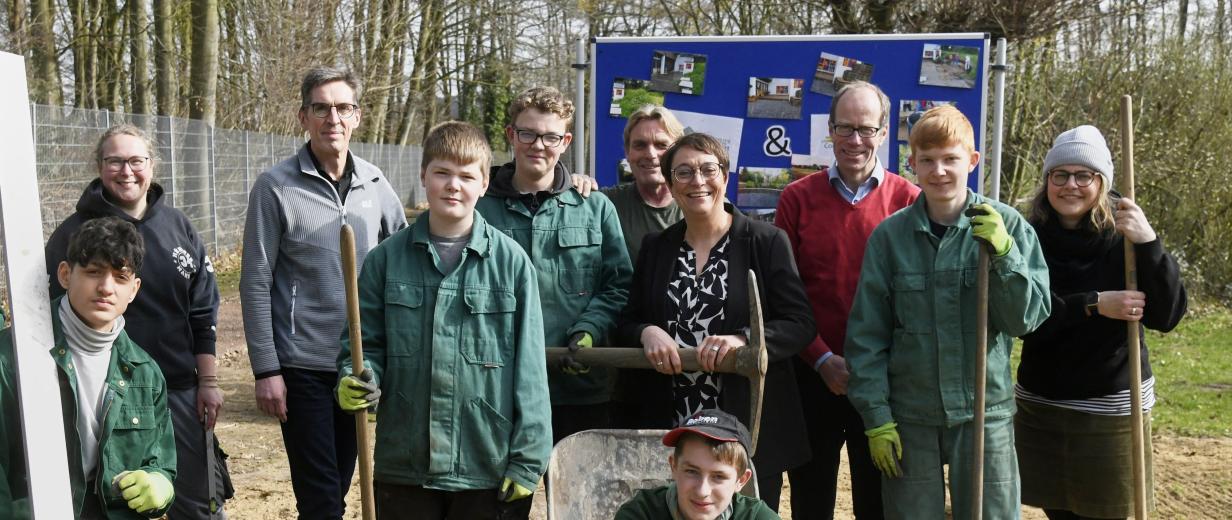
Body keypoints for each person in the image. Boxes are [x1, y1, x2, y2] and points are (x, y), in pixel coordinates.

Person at [334, 121, 551, 519]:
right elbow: (364, 346)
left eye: (467, 176)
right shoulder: (386, 260)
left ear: (484, 184)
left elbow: (531, 369)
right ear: (423, 176)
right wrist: (355, 376)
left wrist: (529, 458)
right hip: (405, 464)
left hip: (486, 464)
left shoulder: (512, 265)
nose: (454, 185)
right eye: (442, 173)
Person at [845, 105, 1051, 520]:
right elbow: (867, 336)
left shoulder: (1006, 225)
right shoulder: (890, 238)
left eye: (951, 159)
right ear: (913, 164)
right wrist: (877, 418)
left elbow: (1026, 320)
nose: (939, 171)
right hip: (910, 417)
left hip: (984, 415)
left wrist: (1005, 255)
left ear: (972, 161)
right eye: (928, 160)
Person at [614, 133, 816, 511]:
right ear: (671, 184)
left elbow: (800, 323)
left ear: (725, 175)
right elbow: (628, 320)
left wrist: (745, 340)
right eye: (684, 172)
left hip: (742, 428)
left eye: (708, 169)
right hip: (675, 422)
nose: (697, 180)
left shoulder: (765, 241)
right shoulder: (656, 247)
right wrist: (647, 331)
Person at [240, 66, 407, 520]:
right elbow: (255, 279)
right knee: (319, 499)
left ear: (357, 116)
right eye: (321, 108)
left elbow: (405, 258)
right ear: (303, 117)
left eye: (342, 107)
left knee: (339, 481)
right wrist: (266, 369)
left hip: (357, 363)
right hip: (302, 365)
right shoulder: (275, 186)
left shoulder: (376, 184)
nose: (332, 117)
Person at [44, 123, 228, 519]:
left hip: (177, 388)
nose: (126, 171)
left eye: (136, 160)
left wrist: (208, 382)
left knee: (198, 504)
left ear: (152, 165)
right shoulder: (73, 235)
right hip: (99, 395)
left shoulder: (179, 227)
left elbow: (202, 310)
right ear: (99, 166)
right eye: (114, 161)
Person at [1015, 125, 1187, 520]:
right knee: (1056, 509)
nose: (1070, 185)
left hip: (1111, 403)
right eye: (1060, 175)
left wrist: (1149, 243)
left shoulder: (1123, 238)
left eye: (1083, 175)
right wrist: (1093, 304)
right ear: (1047, 182)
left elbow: (1168, 314)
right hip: (1044, 401)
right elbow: (1025, 318)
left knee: (1106, 513)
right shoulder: (1028, 235)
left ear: (1102, 181)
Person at [775, 81, 920, 520]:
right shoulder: (796, 199)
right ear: (830, 131)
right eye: (844, 128)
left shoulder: (909, 200)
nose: (854, 140)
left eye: (865, 128)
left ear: (882, 132)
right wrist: (821, 360)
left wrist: (872, 366)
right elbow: (783, 292)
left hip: (884, 381)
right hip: (811, 376)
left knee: (878, 503)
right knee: (810, 499)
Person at [475, 85, 632, 442]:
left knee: (579, 496)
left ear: (565, 141)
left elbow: (618, 283)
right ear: (511, 135)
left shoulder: (594, 207)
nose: (538, 145)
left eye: (550, 136)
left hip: (580, 386)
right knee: (506, 496)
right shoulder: (479, 209)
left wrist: (590, 329)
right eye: (528, 133)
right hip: (499, 384)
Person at [2, 217, 177, 518]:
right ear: (65, 274)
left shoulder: (145, 373)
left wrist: (160, 485)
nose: (106, 287)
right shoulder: (11, 358)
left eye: (120, 278)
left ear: (134, 289)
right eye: (93, 272)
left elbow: (161, 462)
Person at [615, 409, 780, 520]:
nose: (702, 491)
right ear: (674, 466)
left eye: (718, 477)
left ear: (741, 481)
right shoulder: (641, 513)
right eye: (692, 471)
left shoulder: (756, 516)